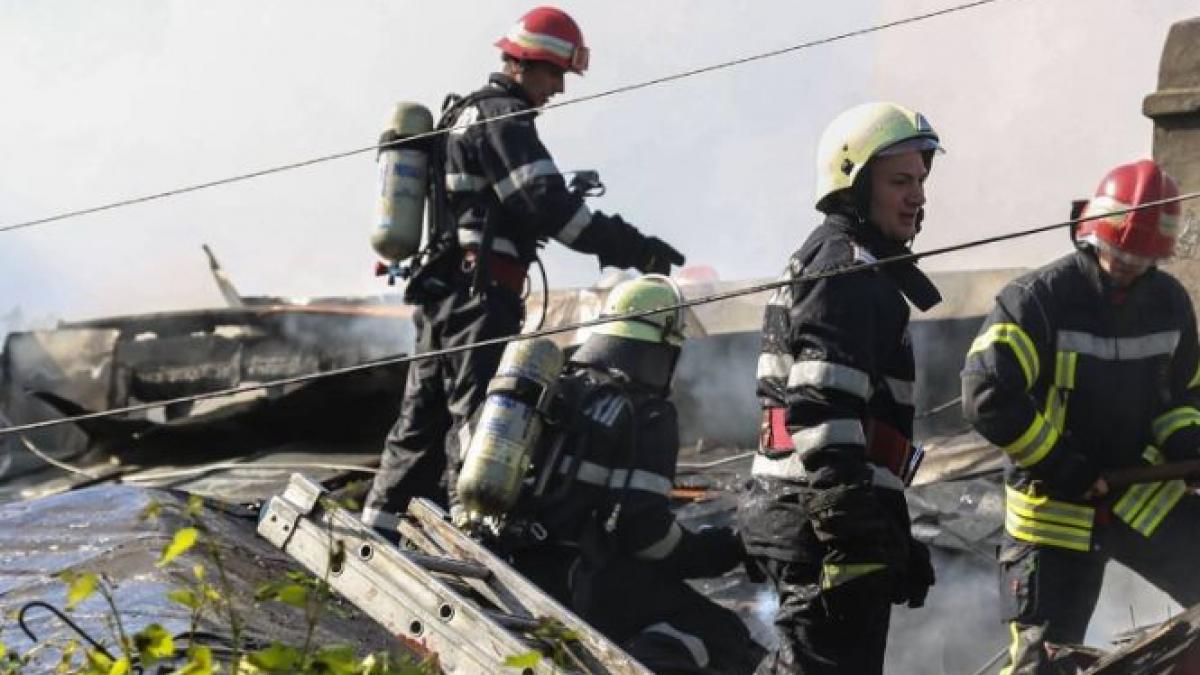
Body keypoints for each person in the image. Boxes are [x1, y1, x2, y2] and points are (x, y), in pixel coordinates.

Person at [362, 7, 685, 538]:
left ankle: (377, 528)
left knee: (419, 419)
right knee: (478, 416)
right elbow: (546, 204)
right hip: (480, 294)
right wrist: (634, 247)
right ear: (525, 64)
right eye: (554, 74)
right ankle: (471, 537)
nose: (557, 89)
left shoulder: (460, 114)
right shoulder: (503, 119)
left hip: (442, 293)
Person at [962, 159, 1200, 675]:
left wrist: (1188, 448)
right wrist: (1063, 465)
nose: (1127, 268)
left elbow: (1184, 396)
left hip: (1142, 497)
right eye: (1118, 254)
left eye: (1141, 259)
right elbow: (988, 394)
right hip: (1055, 509)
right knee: (1042, 662)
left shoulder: (1170, 304)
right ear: (1091, 234)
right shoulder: (1036, 302)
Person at [738, 102, 943, 674]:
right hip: (816, 523)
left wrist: (892, 535)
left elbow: (860, 424)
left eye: (921, 181)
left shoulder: (854, 265)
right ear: (854, 186)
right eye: (900, 181)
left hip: (809, 515)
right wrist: (851, 533)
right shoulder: (847, 271)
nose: (917, 197)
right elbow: (822, 405)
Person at [502, 275, 764, 674]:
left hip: (513, 565)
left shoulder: (557, 391)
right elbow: (647, 536)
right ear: (660, 350)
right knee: (721, 637)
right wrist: (724, 549)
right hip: (578, 584)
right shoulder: (647, 413)